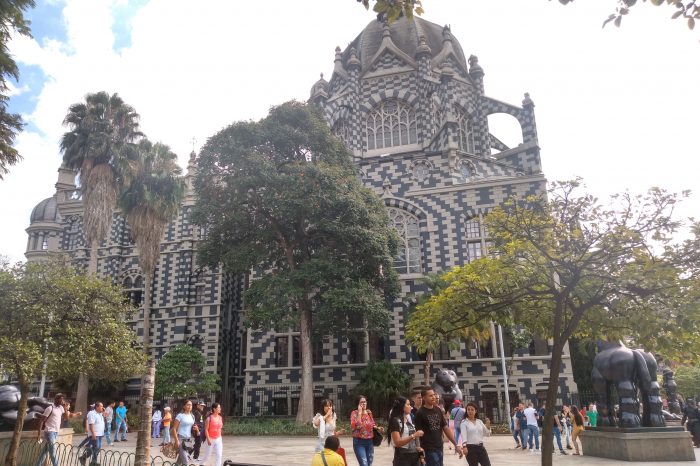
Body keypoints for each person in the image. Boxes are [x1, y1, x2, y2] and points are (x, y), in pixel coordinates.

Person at [414, 388, 462, 466]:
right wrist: (420, 453)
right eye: (430, 396)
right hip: (428, 449)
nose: (433, 397)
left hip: (439, 447)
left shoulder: (438, 410)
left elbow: (445, 428)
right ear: (424, 398)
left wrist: (456, 444)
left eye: (434, 395)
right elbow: (417, 434)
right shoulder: (420, 413)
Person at [35, 393, 82, 466]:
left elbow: (66, 418)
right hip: (49, 432)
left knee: (44, 452)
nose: (62, 401)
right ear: (56, 399)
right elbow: (41, 421)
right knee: (53, 452)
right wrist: (39, 434)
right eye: (61, 399)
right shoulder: (50, 408)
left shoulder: (61, 408)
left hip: (55, 432)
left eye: (63, 399)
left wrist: (65, 408)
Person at [388, 396, 424, 466]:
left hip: (414, 457)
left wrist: (419, 450)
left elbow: (414, 440)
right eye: (408, 404)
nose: (411, 407)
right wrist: (414, 435)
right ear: (402, 406)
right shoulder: (396, 421)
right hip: (402, 457)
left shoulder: (409, 419)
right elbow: (397, 442)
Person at [459, 402, 491, 466]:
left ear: (475, 411)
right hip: (470, 448)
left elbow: (487, 434)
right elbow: (463, 435)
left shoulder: (479, 422)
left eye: (472, 410)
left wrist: (488, 426)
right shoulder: (464, 423)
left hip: (481, 447)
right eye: (468, 409)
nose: (470, 411)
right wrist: (464, 447)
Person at [350, 395, 378, 466]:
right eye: (361, 402)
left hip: (369, 442)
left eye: (365, 402)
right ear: (358, 404)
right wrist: (359, 413)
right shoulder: (354, 413)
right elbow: (358, 426)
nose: (364, 404)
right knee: (364, 464)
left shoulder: (369, 412)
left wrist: (377, 428)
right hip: (359, 442)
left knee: (369, 464)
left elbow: (372, 424)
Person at [172, 400, 196, 466]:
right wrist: (176, 441)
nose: (189, 406)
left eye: (191, 405)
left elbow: (192, 427)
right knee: (186, 462)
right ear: (184, 406)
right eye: (188, 405)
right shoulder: (180, 416)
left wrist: (196, 429)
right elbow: (174, 429)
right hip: (180, 439)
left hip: (188, 440)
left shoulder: (192, 416)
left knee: (179, 462)